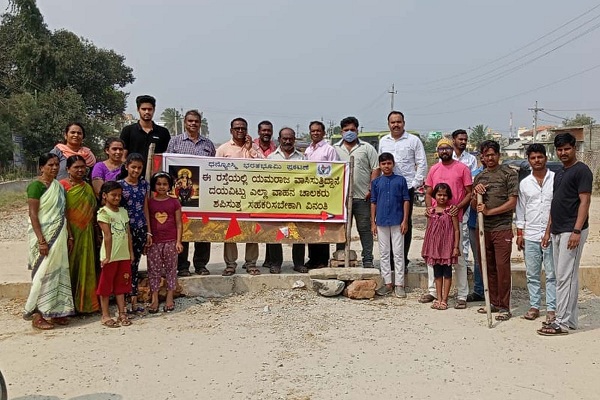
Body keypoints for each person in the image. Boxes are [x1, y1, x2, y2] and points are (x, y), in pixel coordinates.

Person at [538, 133, 592, 336]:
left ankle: (560, 322)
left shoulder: (582, 171)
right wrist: (548, 230)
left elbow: (585, 201)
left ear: (574, 148)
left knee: (565, 277)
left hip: (572, 229)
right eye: (559, 150)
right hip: (558, 229)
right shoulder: (559, 172)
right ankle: (570, 320)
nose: (563, 153)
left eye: (566, 149)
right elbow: (555, 202)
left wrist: (577, 230)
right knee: (564, 276)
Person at [24, 153, 76, 330]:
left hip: (60, 234)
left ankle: (56, 312)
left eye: (56, 165)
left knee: (59, 271)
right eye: (50, 165)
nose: (54, 168)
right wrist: (41, 241)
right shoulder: (36, 187)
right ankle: (37, 314)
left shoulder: (59, 187)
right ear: (41, 167)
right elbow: (33, 214)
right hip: (43, 236)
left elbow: (64, 213)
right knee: (42, 274)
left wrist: (69, 235)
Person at [419, 138, 472, 309]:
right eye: (441, 149)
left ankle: (462, 294)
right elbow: (428, 192)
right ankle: (434, 292)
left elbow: (469, 193)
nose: (444, 151)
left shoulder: (462, 168)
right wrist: (428, 208)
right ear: (437, 151)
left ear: (452, 149)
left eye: (447, 148)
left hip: (456, 219)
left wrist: (458, 207)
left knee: (459, 258)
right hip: (436, 220)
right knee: (434, 257)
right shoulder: (434, 169)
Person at [471, 140, 518, 321]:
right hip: (484, 229)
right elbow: (475, 206)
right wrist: (476, 194)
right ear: (482, 156)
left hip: (502, 228)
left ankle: (505, 307)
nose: (489, 158)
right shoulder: (479, 177)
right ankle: (493, 301)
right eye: (486, 155)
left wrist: (491, 211)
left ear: (498, 155)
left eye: (493, 154)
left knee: (502, 267)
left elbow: (512, 202)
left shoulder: (509, 174)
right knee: (487, 266)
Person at [166, 109, 216, 277]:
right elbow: (168, 166)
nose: (193, 124)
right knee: (183, 229)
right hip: (181, 196)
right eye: (190, 121)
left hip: (204, 195)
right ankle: (182, 266)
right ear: (185, 122)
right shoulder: (174, 142)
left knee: (203, 230)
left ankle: (201, 265)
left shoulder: (208, 144)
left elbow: (213, 167)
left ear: (200, 123)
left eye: (196, 121)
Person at [378, 111, 427, 269]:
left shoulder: (413, 141)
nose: (396, 125)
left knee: (405, 223)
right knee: (387, 223)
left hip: (405, 188)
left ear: (404, 123)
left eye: (398, 122)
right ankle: (390, 261)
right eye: (393, 122)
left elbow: (422, 163)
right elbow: (381, 163)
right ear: (388, 124)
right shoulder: (383, 141)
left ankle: (402, 260)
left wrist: (414, 183)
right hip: (386, 188)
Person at [216, 117, 263, 276]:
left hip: (252, 196)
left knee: (252, 230)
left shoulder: (254, 147)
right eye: (237, 128)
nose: (240, 131)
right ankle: (230, 264)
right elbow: (215, 172)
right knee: (231, 230)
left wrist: (250, 149)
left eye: (243, 128)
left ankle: (251, 263)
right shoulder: (223, 149)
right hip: (230, 196)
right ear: (231, 131)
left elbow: (264, 167)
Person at [515, 144, 556, 322]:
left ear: (545, 158)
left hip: (552, 234)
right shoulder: (524, 183)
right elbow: (521, 210)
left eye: (540, 157)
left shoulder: (556, 179)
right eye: (533, 158)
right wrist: (520, 233)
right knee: (532, 274)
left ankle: (552, 308)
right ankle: (534, 306)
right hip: (530, 235)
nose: (537, 161)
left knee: (552, 273)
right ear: (529, 160)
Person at [334, 116, 379, 268]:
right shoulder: (334, 149)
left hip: (362, 197)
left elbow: (375, 168)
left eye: (352, 130)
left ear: (357, 131)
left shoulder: (367, 148)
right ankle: (341, 257)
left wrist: (371, 188)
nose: (349, 133)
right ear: (341, 132)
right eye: (346, 130)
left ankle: (367, 259)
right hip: (341, 198)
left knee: (365, 229)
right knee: (341, 229)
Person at [59, 155, 99, 314]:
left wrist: (97, 233)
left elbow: (93, 212)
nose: (81, 170)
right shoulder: (62, 186)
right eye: (76, 167)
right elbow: (60, 212)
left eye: (83, 167)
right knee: (69, 266)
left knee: (87, 265)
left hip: (87, 233)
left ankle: (86, 304)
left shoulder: (87, 187)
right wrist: (69, 234)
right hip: (69, 233)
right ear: (68, 169)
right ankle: (66, 306)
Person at [265, 127, 307, 273]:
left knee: (298, 232)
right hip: (276, 202)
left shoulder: (302, 158)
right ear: (279, 139)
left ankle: (299, 263)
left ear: (294, 139)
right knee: (275, 232)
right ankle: (275, 263)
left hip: (297, 202)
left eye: (290, 138)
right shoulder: (271, 158)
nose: (287, 141)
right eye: (285, 138)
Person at [372, 152, 410, 297]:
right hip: (381, 221)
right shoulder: (376, 182)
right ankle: (387, 283)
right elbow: (373, 202)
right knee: (384, 253)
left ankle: (400, 284)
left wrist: (405, 220)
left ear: (393, 164)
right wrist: (372, 222)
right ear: (380, 166)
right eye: (383, 164)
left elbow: (406, 200)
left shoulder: (400, 180)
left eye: (389, 163)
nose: (386, 166)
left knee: (398, 253)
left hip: (397, 221)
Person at [96, 181, 134, 328]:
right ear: (105, 196)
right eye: (113, 195)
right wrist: (107, 256)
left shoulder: (123, 212)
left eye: (119, 195)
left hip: (123, 255)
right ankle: (105, 315)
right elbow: (107, 236)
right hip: (110, 257)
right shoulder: (103, 213)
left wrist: (130, 253)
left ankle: (122, 312)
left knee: (121, 286)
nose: (117, 198)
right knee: (105, 287)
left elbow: (128, 234)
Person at [145, 172, 183, 313]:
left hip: (171, 241)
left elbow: (179, 224)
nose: (162, 187)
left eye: (165, 184)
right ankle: (154, 298)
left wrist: (179, 242)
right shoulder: (149, 203)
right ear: (154, 185)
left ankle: (169, 296)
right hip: (154, 242)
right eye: (159, 184)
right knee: (153, 270)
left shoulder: (174, 202)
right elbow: (148, 221)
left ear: (169, 186)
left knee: (171, 269)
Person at [304, 120, 340, 269]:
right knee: (311, 227)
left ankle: (322, 260)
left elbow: (336, 171)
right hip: (310, 195)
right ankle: (312, 258)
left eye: (318, 131)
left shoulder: (329, 150)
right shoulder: (308, 150)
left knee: (323, 227)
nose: (315, 133)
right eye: (313, 131)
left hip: (325, 194)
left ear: (323, 132)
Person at [118, 153, 149, 313]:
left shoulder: (144, 184)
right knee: (125, 265)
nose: (136, 170)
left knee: (135, 264)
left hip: (140, 228)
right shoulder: (119, 186)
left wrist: (148, 231)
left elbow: (145, 208)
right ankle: (123, 302)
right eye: (133, 167)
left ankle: (134, 302)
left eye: (139, 167)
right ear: (126, 167)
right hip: (123, 230)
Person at [422, 183, 460, 310]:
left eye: (445, 195)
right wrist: (427, 245)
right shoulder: (431, 211)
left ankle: (445, 299)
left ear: (448, 197)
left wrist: (455, 247)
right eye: (439, 195)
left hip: (447, 247)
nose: (442, 197)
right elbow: (429, 229)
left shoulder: (451, 211)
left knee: (447, 273)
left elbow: (456, 230)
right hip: (435, 248)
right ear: (435, 196)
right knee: (437, 273)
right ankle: (438, 298)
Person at [451, 129, 478, 270]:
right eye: (460, 139)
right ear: (453, 140)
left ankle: (464, 262)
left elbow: (471, 182)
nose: (463, 142)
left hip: (464, 201)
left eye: (465, 140)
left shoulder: (471, 159)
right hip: (448, 200)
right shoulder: (448, 157)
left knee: (464, 232)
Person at [119, 95, 171, 163]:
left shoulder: (163, 132)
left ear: (154, 110)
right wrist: (133, 169)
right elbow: (122, 157)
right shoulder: (128, 131)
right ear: (138, 110)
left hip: (156, 172)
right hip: (134, 172)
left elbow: (168, 155)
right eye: (143, 109)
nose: (147, 112)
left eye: (149, 109)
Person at [466, 155, 486, 302]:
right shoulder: (473, 176)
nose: (488, 158)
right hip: (475, 222)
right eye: (485, 155)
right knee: (479, 258)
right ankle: (479, 290)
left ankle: (494, 291)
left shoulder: (504, 174)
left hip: (495, 224)